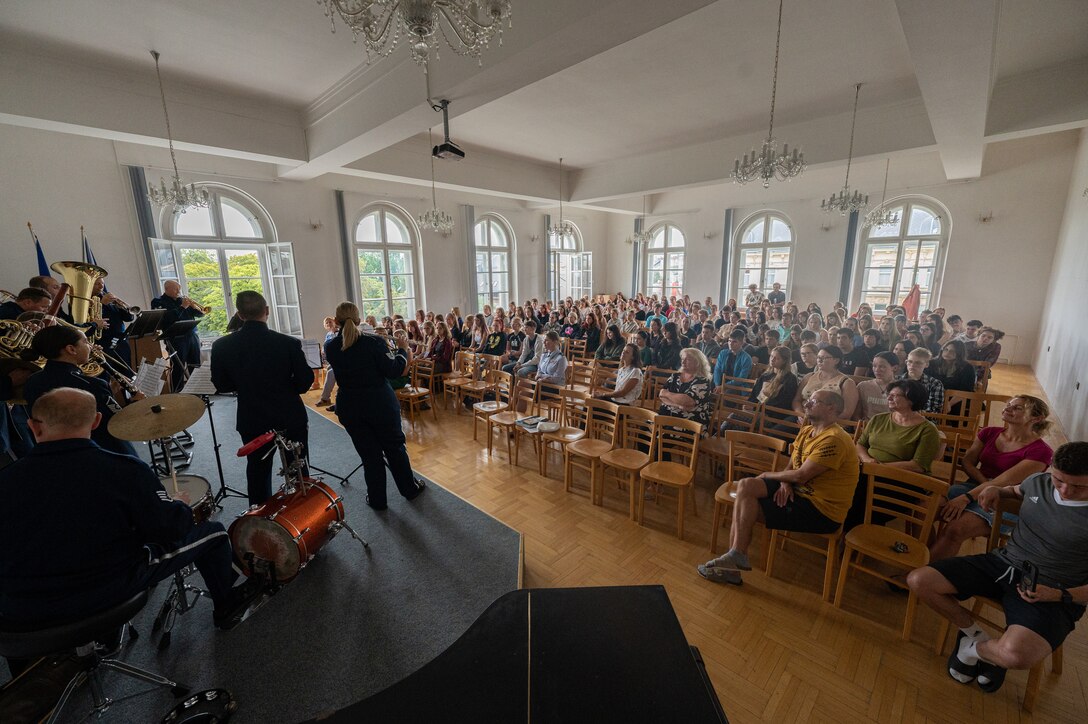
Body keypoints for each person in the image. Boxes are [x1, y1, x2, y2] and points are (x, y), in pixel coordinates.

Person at [0, 389, 261, 637]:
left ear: (33, 426)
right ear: (96, 421)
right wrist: (178, 505)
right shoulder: (125, 470)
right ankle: (226, 607)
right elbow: (171, 530)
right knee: (214, 533)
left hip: (17, 609)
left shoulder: (7, 478)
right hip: (106, 589)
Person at [907, 442, 1088, 694]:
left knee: (1017, 655)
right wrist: (996, 489)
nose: (1065, 490)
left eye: (1079, 486)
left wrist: (1059, 595)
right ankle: (975, 635)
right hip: (1003, 563)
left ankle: (974, 650)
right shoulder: (1039, 481)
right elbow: (1015, 490)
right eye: (1058, 480)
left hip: (1054, 588)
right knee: (919, 580)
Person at [698, 390, 860, 585]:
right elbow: (794, 463)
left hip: (821, 510)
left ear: (831, 408)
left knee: (745, 507)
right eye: (807, 400)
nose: (806, 404)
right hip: (799, 492)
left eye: (813, 401)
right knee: (746, 485)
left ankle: (734, 563)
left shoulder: (835, 439)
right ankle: (736, 556)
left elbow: (801, 475)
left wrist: (769, 475)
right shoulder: (809, 429)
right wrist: (784, 481)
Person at [210, 291, 313, 506]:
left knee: (257, 469)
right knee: (298, 465)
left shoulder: (222, 346)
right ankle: (303, 514)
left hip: (252, 416)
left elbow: (222, 385)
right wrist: (287, 389)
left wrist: (246, 386)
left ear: (239, 314)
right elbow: (305, 381)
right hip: (289, 414)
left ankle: (260, 518)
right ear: (267, 311)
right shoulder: (288, 343)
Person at [325, 302, 425, 511]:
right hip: (380, 405)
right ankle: (409, 489)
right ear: (359, 319)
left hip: (351, 407)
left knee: (369, 456)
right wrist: (402, 349)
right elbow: (394, 370)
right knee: (395, 449)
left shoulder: (331, 346)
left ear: (336, 321)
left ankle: (378, 499)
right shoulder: (374, 342)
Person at [930, 396, 1053, 560]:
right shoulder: (989, 432)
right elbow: (968, 462)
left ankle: (926, 573)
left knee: (955, 530)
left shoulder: (1041, 451)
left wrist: (967, 498)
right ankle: (923, 559)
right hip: (973, 487)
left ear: (1036, 418)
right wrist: (984, 484)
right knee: (924, 510)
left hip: (1007, 499)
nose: (1008, 408)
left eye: (1017, 408)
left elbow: (1002, 482)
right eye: (1008, 405)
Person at [22, 325, 142, 457]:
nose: (90, 346)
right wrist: (136, 403)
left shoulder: (32, 381)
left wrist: (108, 393)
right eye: (85, 342)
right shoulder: (92, 384)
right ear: (71, 349)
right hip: (100, 453)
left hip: (54, 455)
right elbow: (118, 422)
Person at [845, 379, 940, 530]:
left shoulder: (928, 429)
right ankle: (855, 533)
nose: (888, 398)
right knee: (851, 486)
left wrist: (880, 468)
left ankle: (854, 536)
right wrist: (867, 460)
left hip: (903, 479)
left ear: (911, 400)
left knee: (860, 493)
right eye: (889, 394)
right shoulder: (878, 419)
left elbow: (918, 466)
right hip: (869, 470)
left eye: (895, 395)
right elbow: (861, 444)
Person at [151, 280, 205, 391]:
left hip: (192, 336)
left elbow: (200, 314)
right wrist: (182, 307)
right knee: (178, 368)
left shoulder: (182, 300)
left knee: (195, 365)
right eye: (176, 289)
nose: (178, 291)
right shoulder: (158, 301)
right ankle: (177, 393)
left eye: (179, 289)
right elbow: (167, 318)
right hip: (175, 339)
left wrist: (196, 307)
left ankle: (199, 392)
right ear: (167, 289)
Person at [792, 346, 859, 421]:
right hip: (804, 418)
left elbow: (847, 412)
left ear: (836, 360)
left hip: (831, 423)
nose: (819, 361)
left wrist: (820, 422)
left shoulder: (847, 382)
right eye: (818, 357)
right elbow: (797, 400)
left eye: (824, 358)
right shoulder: (809, 376)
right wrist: (800, 415)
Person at [657, 347, 713, 430]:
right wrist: (678, 405)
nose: (683, 362)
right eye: (682, 359)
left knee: (661, 437)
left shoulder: (702, 381)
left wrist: (668, 394)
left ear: (697, 363)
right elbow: (661, 395)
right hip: (666, 418)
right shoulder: (675, 376)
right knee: (643, 431)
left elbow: (687, 401)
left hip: (689, 424)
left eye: (688, 359)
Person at [898, 347, 945, 413]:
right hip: (898, 417)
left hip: (924, 420)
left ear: (926, 364)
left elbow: (934, 410)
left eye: (918, 363)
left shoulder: (935, 383)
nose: (912, 365)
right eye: (910, 361)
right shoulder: (897, 381)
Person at [855, 351, 900, 420]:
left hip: (891, 427)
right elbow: (856, 414)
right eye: (874, 366)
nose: (877, 370)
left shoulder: (901, 388)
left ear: (895, 368)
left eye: (882, 366)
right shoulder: (863, 386)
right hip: (867, 426)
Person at [317, 316, 339, 408]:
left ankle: (325, 398)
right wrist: (322, 351)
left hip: (339, 358)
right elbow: (325, 346)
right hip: (332, 358)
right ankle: (326, 398)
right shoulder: (328, 334)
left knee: (331, 371)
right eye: (327, 323)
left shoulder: (339, 333)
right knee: (330, 368)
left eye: (330, 322)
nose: (329, 324)